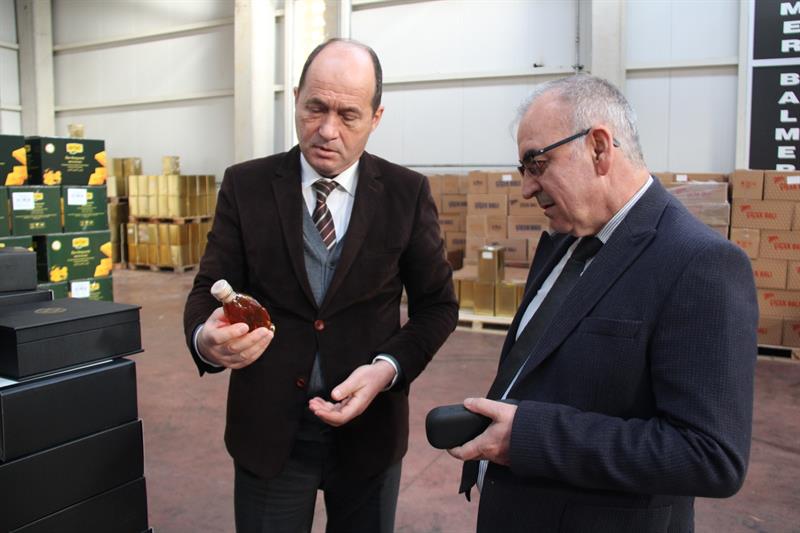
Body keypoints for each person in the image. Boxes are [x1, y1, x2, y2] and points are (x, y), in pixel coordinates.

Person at [447, 74, 758, 533]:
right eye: (523, 169)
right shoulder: (563, 243)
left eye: (537, 164)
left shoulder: (700, 263)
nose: (527, 188)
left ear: (598, 148)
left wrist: (532, 437)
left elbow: (710, 456)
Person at [183, 38, 458, 533]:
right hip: (270, 432)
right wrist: (205, 341)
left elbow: (437, 306)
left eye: (348, 115)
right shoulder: (246, 186)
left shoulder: (406, 193)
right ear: (295, 99)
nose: (327, 130)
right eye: (315, 108)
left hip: (369, 432)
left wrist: (387, 369)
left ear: (376, 117)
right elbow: (209, 287)